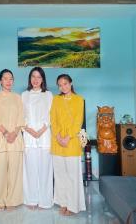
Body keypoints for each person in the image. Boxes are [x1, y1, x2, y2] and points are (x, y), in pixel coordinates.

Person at [50, 74, 86, 216]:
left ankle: (73, 205)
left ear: (71, 83)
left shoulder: (79, 99)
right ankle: (63, 202)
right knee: (60, 175)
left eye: (65, 83)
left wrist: (68, 137)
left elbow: (78, 121)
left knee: (72, 175)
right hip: (57, 141)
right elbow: (53, 118)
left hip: (72, 142)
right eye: (60, 84)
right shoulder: (56, 99)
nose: (63, 86)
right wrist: (58, 136)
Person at [0, 69, 25, 210]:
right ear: (0, 81)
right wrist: (5, 133)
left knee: (15, 171)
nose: (8, 81)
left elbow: (21, 117)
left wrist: (14, 133)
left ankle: (12, 201)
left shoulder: (18, 97)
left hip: (15, 138)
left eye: (11, 79)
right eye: (5, 78)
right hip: (1, 137)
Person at [22, 67, 53, 209]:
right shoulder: (24, 95)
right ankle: (31, 199)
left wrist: (40, 131)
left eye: (39, 77)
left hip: (44, 136)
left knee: (45, 170)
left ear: (43, 79)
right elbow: (21, 116)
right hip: (28, 137)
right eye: (33, 76)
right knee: (30, 170)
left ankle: (45, 200)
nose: (35, 79)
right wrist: (28, 130)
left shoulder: (48, 95)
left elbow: (51, 116)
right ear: (29, 78)